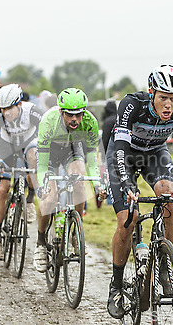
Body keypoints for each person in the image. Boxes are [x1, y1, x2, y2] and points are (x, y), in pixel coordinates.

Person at [106, 64, 173, 319]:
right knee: (127, 221)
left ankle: (163, 261)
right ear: (152, 92)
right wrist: (127, 183)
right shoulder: (132, 104)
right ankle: (116, 285)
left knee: (169, 195)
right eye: (163, 97)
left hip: (154, 154)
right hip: (125, 155)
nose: (168, 104)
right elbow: (119, 146)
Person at [35, 88, 107, 273]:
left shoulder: (90, 122)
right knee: (49, 199)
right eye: (69, 115)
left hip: (72, 152)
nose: (75, 119)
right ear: (61, 112)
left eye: (78, 114)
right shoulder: (49, 121)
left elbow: (92, 161)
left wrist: (98, 185)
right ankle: (41, 242)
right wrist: (44, 185)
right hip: (50, 154)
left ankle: (75, 230)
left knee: (80, 182)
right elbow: (42, 166)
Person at [0, 84, 43, 260]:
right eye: (3, 108)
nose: (6, 112)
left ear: (19, 104)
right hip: (6, 148)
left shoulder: (33, 111)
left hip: (28, 144)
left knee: (34, 158)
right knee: (2, 190)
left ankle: (29, 199)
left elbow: (45, 136)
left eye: (9, 108)